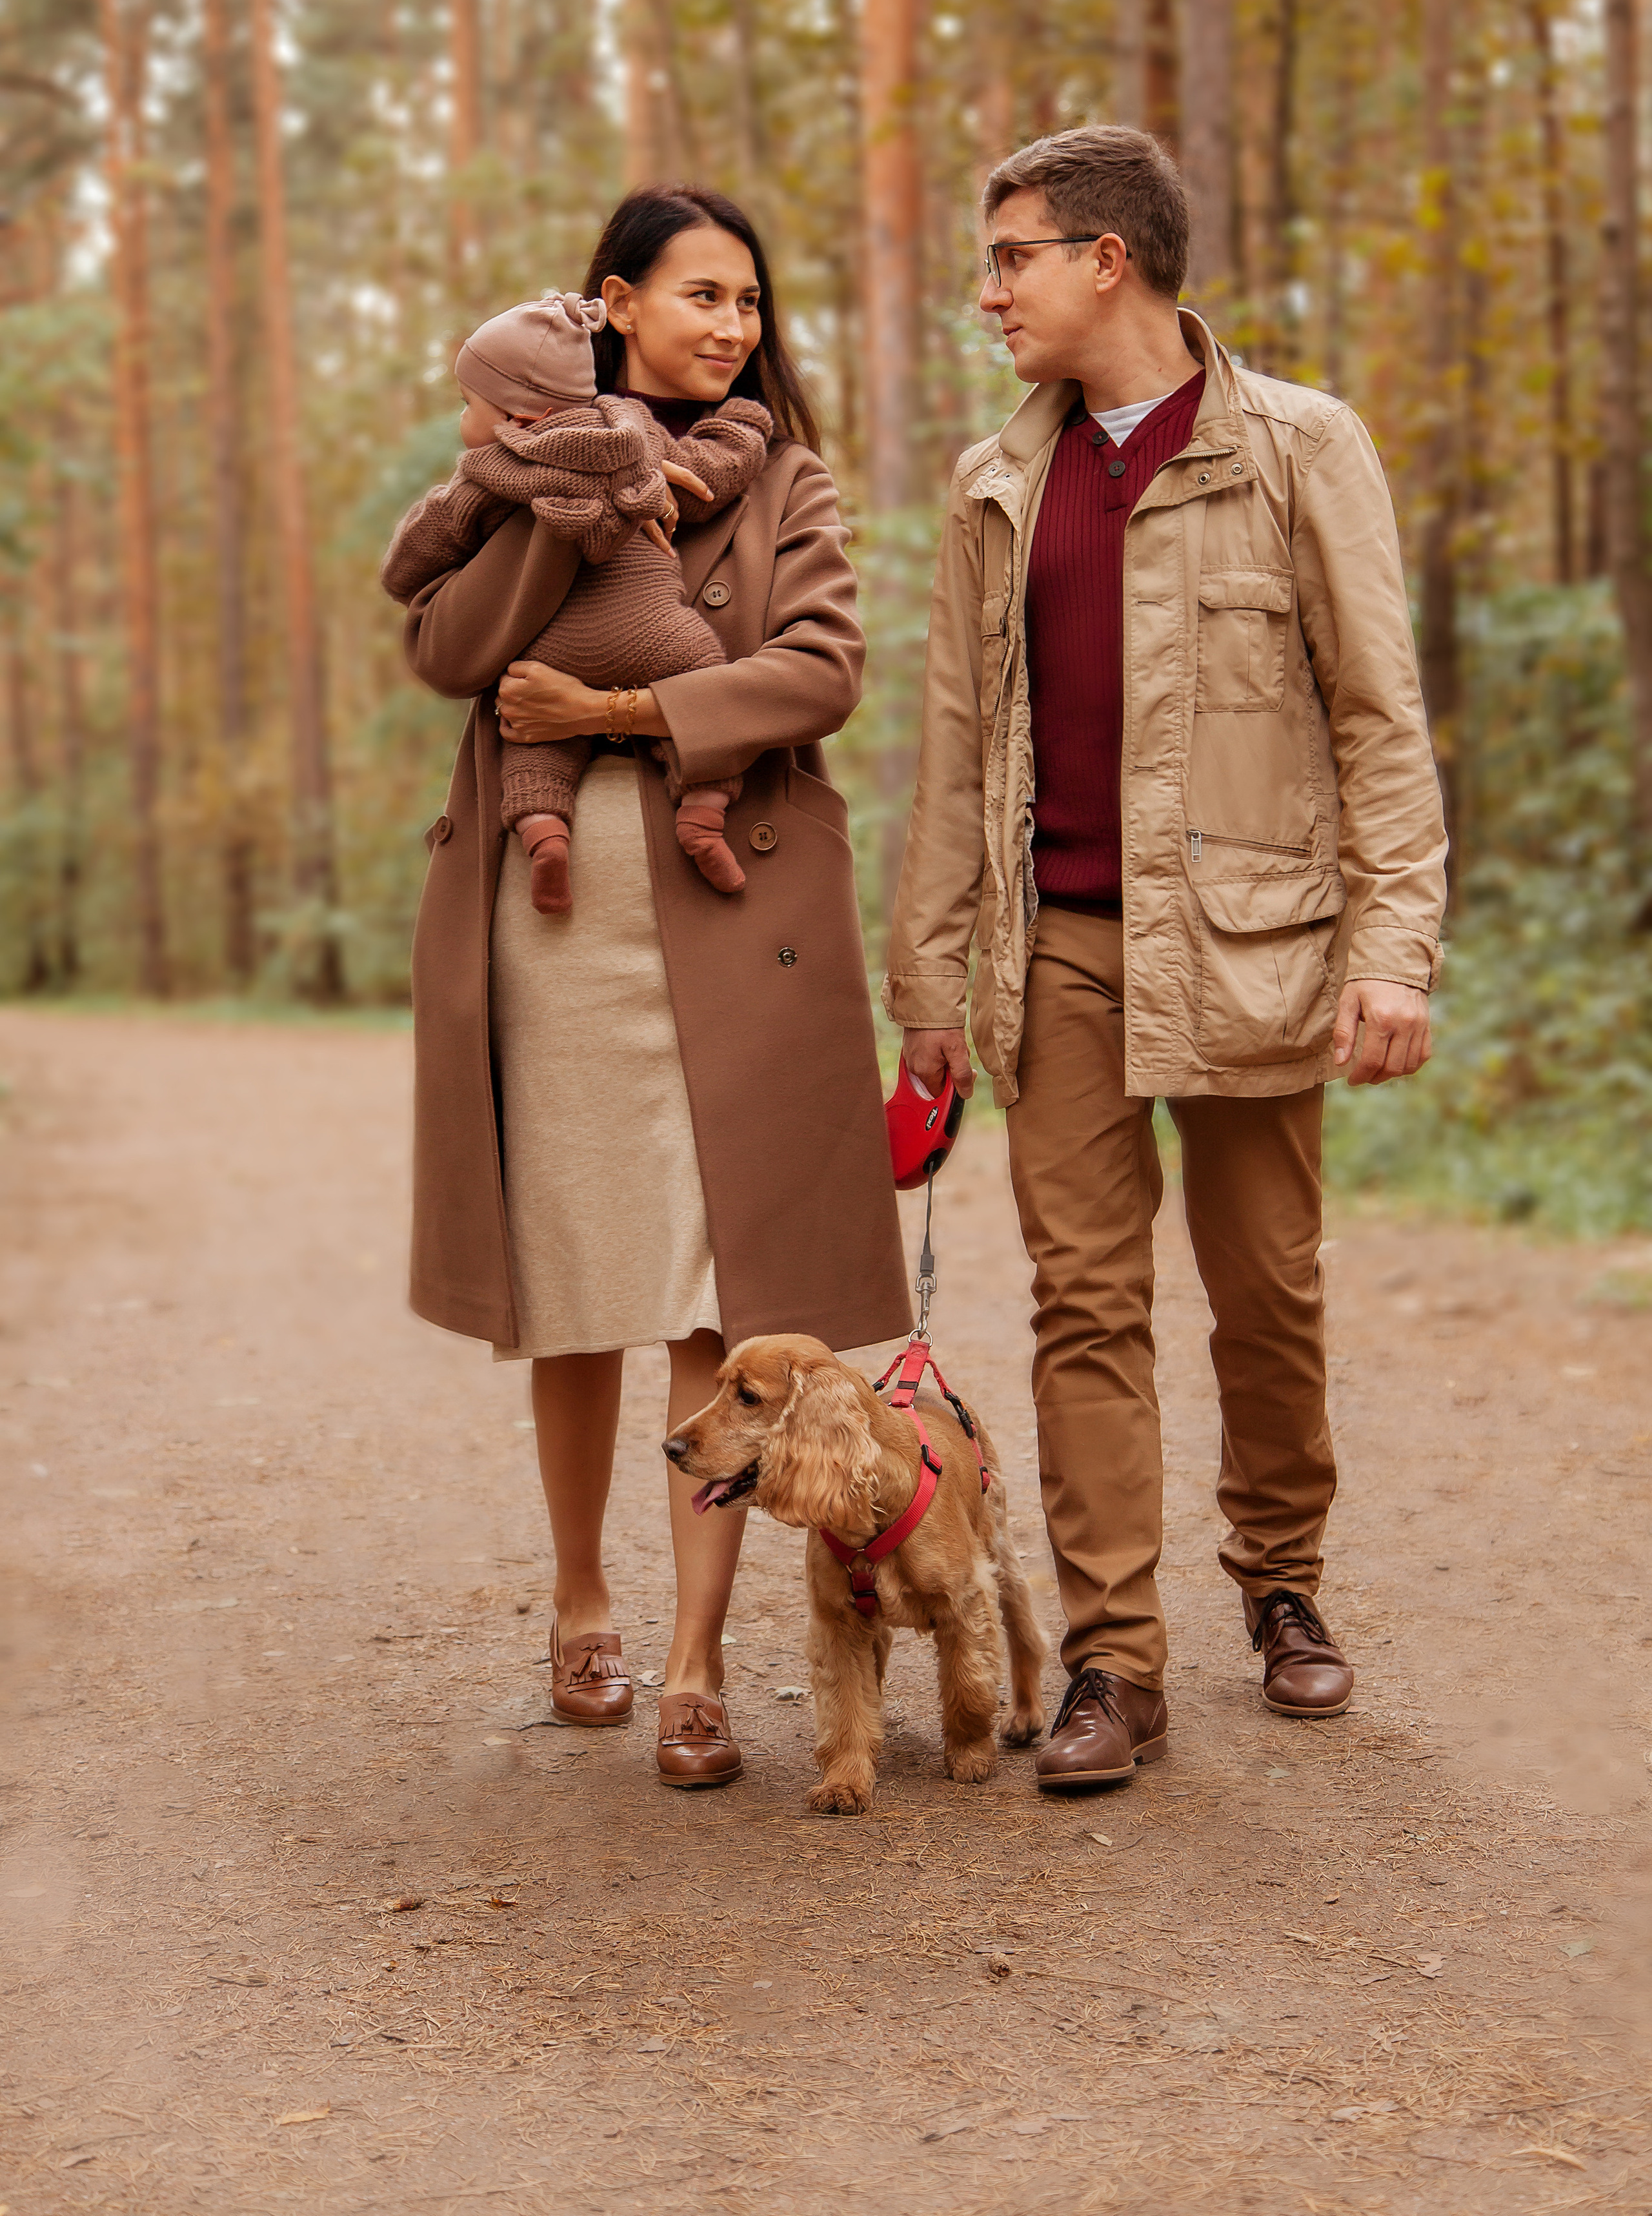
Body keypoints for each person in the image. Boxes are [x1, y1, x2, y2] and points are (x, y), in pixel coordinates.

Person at [885, 126, 1447, 1793]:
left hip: (1260, 951)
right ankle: (1112, 1664)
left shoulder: (1302, 449)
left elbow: (1380, 721)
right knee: (1086, 1303)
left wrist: (1393, 946)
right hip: (1057, 954)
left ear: (1107, 260)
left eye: (1013, 258)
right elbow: (953, 756)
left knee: (1267, 1290)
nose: (989, 293)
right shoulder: (999, 484)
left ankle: (1282, 1581)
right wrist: (926, 985)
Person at [395, 184, 911, 1788]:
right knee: (576, 1278)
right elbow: (447, 653)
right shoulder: (518, 458)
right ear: (612, 301)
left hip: (732, 916)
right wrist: (549, 508)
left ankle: (695, 1657)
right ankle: (577, 1598)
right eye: (704, 294)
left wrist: (620, 720)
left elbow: (820, 668)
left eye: (751, 301)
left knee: (711, 1284)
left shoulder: (783, 476)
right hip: (549, 936)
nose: (735, 325)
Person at [381, 289, 778, 908]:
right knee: (706, 676)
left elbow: (413, 563)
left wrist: (420, 542)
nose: (464, 423)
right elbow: (707, 479)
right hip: (658, 632)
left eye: (468, 406)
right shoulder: (633, 435)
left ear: (518, 419)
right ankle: (703, 814)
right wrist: (745, 427)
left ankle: (545, 837)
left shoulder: (487, 475)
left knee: (533, 732)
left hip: (556, 651)